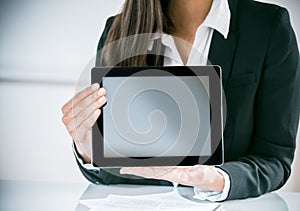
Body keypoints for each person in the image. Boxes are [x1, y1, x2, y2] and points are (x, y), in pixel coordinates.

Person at [61, 0, 300, 201]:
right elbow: (116, 172)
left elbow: (274, 159)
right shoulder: (119, 29)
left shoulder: (267, 26)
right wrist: (89, 150)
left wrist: (218, 179)